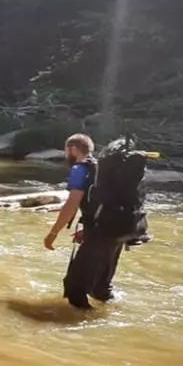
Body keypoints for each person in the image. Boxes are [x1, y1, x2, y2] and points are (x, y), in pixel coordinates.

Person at [43, 133, 122, 310]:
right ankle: (114, 316)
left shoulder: (80, 169)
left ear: (72, 149)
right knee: (101, 289)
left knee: (74, 288)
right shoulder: (104, 169)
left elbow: (72, 204)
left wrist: (53, 233)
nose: (66, 155)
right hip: (119, 231)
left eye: (66, 151)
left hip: (100, 233)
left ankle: (87, 326)